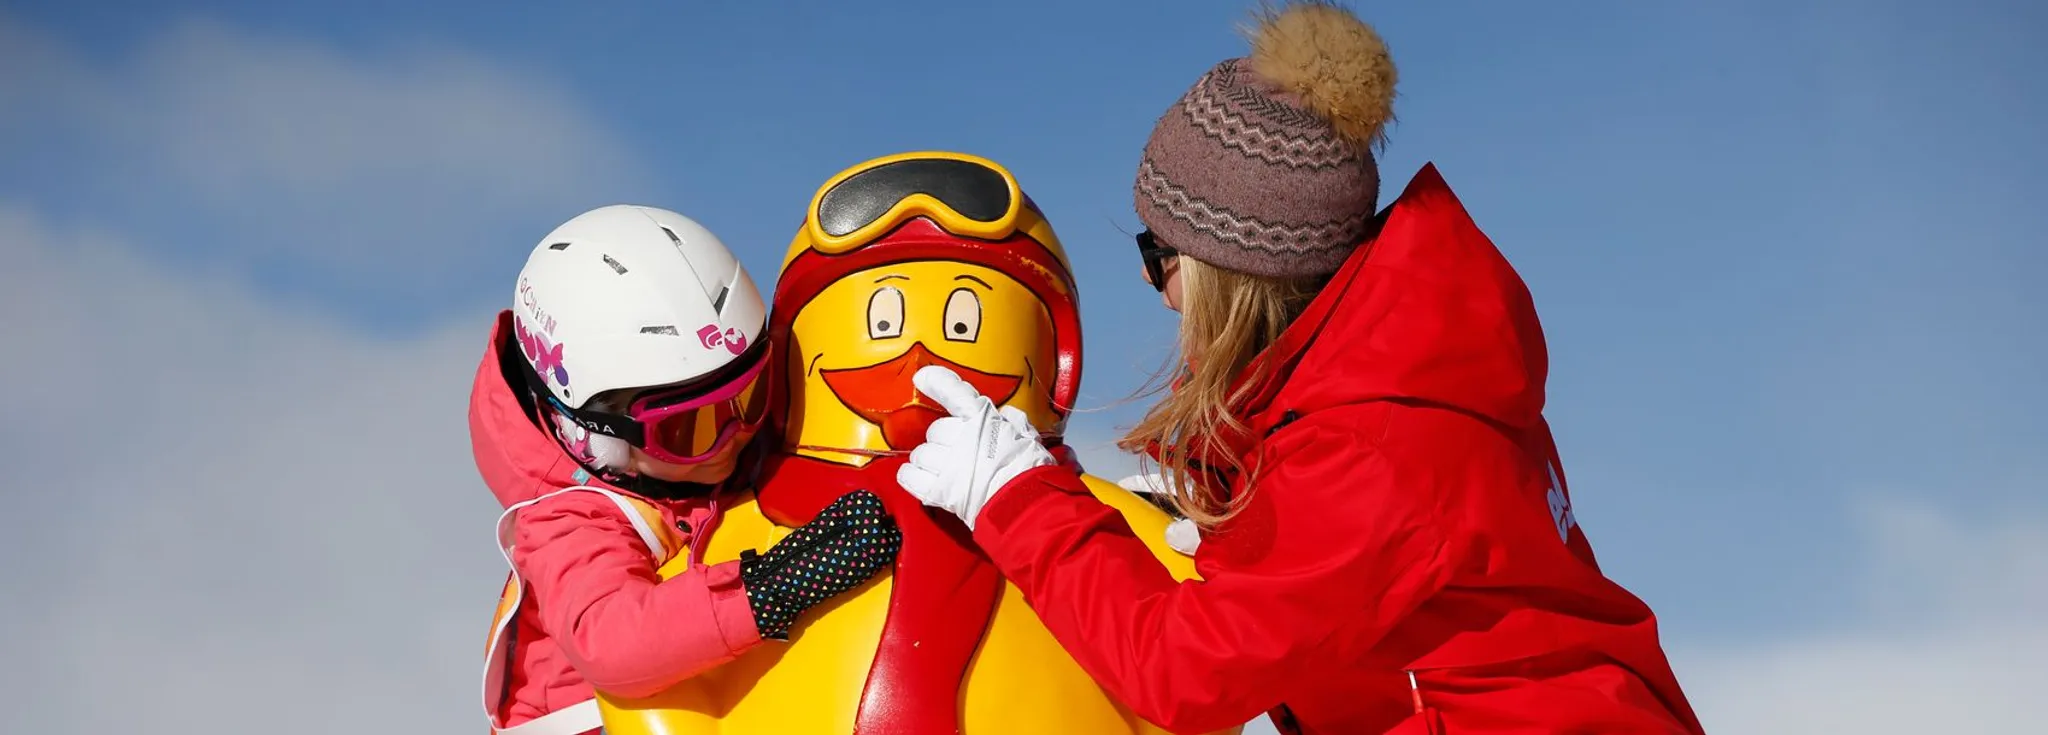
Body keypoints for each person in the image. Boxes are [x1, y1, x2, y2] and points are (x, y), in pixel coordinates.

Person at [894, 3, 1706, 734]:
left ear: (1237, 271)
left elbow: (1182, 677)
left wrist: (1015, 497)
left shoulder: (1380, 443)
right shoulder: (1403, 366)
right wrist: (1242, 536)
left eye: (1160, 252)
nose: (1148, 281)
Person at [470, 204, 902, 735]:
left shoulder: (729, 452)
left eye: (753, 393)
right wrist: (773, 586)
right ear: (595, 436)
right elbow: (612, 641)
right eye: (691, 429)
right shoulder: (571, 521)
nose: (736, 434)